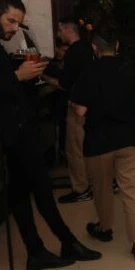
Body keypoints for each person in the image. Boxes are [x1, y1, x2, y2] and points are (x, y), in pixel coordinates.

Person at [0, 0, 103, 270]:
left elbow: (2, 85)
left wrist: (27, 76)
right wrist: (16, 76)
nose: (14, 28)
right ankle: (65, 242)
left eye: (17, 23)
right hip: (9, 128)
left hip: (19, 124)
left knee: (21, 190)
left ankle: (38, 250)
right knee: (40, 186)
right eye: (11, 21)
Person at [70, 25, 135, 259]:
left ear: (95, 48)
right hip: (129, 140)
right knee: (133, 190)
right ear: (117, 46)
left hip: (98, 142)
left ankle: (104, 229)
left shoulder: (89, 72)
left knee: (102, 188)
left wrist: (73, 104)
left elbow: (81, 111)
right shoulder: (130, 71)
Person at [43, 16, 95, 204]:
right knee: (89, 147)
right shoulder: (88, 48)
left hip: (77, 105)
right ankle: (99, 183)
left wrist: (42, 75)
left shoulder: (73, 51)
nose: (59, 34)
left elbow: (64, 84)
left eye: (60, 30)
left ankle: (81, 189)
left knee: (74, 149)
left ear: (67, 29)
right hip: (92, 104)